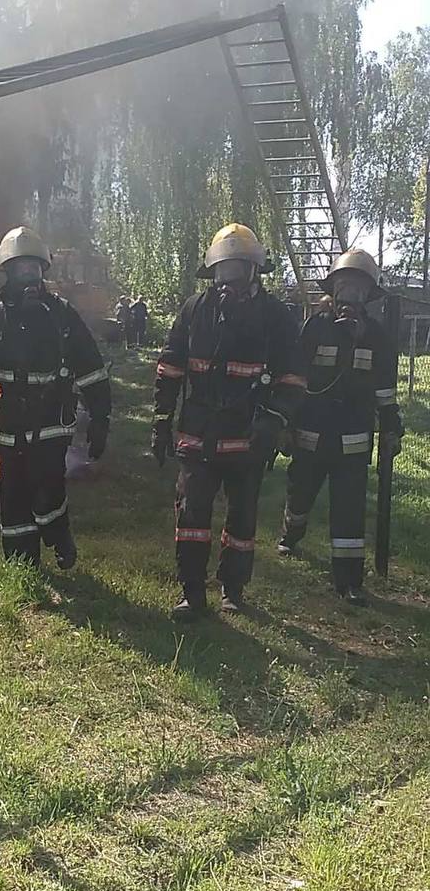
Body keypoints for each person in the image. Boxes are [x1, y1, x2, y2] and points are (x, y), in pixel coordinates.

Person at [152, 223, 306, 621]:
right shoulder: (195, 310)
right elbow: (169, 367)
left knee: (242, 519)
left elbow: (293, 376)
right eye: (222, 272)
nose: (228, 282)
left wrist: (275, 417)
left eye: (236, 271)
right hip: (198, 434)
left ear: (254, 271)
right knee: (191, 516)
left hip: (248, 436)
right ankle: (191, 592)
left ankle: (232, 589)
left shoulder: (276, 317)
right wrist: (160, 419)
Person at [0, 226, 111, 569]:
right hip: (10, 427)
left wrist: (100, 419)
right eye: (19, 268)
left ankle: (58, 533)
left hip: (52, 421)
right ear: (7, 273)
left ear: (44, 271)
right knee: (12, 499)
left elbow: (92, 369)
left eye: (34, 268)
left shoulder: (62, 315)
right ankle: (22, 568)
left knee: (47, 493)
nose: (28, 276)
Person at [277, 249, 403, 605]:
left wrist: (391, 425)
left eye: (359, 287)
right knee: (300, 493)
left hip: (354, 438)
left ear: (369, 294)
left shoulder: (376, 337)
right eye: (346, 285)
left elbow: (385, 389)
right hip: (312, 432)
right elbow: (295, 377)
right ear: (333, 288)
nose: (352, 293)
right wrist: (285, 421)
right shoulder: (314, 327)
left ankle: (349, 581)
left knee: (349, 508)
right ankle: (291, 532)